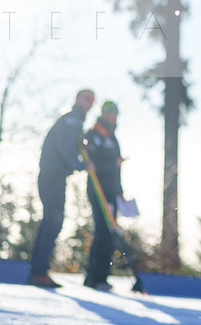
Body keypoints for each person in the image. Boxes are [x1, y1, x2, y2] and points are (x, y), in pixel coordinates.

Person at [28, 88, 95, 288]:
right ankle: (39, 271)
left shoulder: (76, 121)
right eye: (86, 98)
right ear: (77, 99)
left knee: (51, 221)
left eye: (92, 100)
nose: (89, 102)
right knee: (54, 221)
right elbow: (65, 148)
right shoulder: (71, 120)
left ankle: (37, 271)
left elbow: (70, 147)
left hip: (55, 175)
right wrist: (82, 165)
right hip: (53, 175)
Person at [83, 100, 124, 291]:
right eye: (109, 112)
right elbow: (91, 164)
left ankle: (99, 277)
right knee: (103, 232)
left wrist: (120, 192)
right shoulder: (94, 134)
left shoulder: (112, 136)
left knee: (108, 233)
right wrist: (113, 165)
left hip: (111, 192)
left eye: (115, 113)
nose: (112, 116)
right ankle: (95, 277)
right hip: (99, 190)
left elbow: (117, 169)